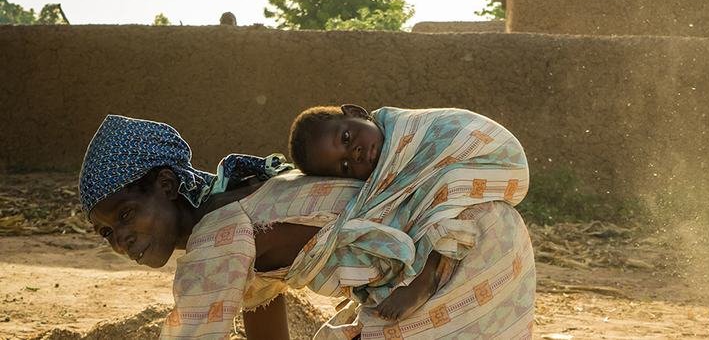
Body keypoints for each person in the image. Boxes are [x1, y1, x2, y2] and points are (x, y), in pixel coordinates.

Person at [80, 113, 534, 339]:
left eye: (125, 216)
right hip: (479, 236)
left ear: (166, 185)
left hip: (462, 251)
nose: (121, 239)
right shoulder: (232, 215)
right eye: (106, 233)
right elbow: (264, 317)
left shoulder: (216, 241)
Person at [284, 103, 531, 322]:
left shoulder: (408, 130)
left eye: (347, 138)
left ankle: (426, 275)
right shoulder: (388, 176)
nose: (355, 154)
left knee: (448, 181)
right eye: (345, 166)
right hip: (466, 184)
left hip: (495, 159)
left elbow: (457, 138)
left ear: (356, 112)